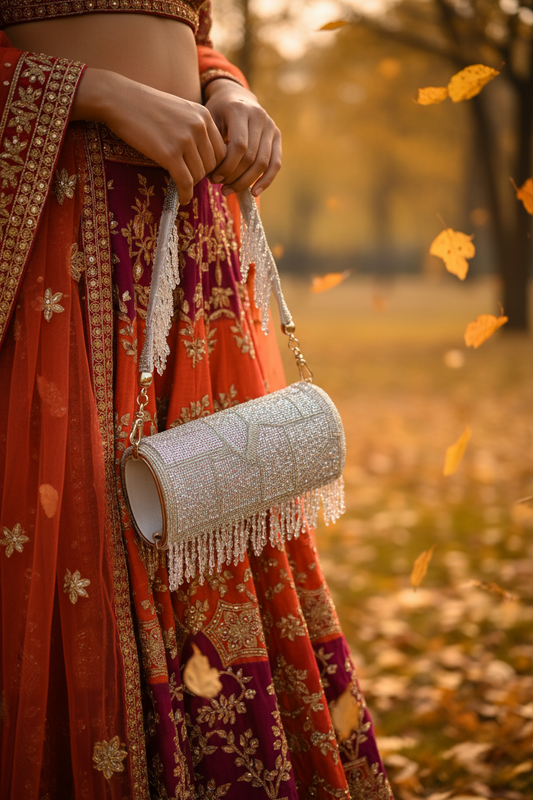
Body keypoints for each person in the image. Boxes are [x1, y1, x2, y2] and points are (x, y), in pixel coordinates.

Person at [0, 4, 393, 798]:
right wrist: (95, 92)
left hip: (191, 243)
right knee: (81, 526)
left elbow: (191, 36)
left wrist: (230, 92)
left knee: (215, 500)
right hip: (65, 240)